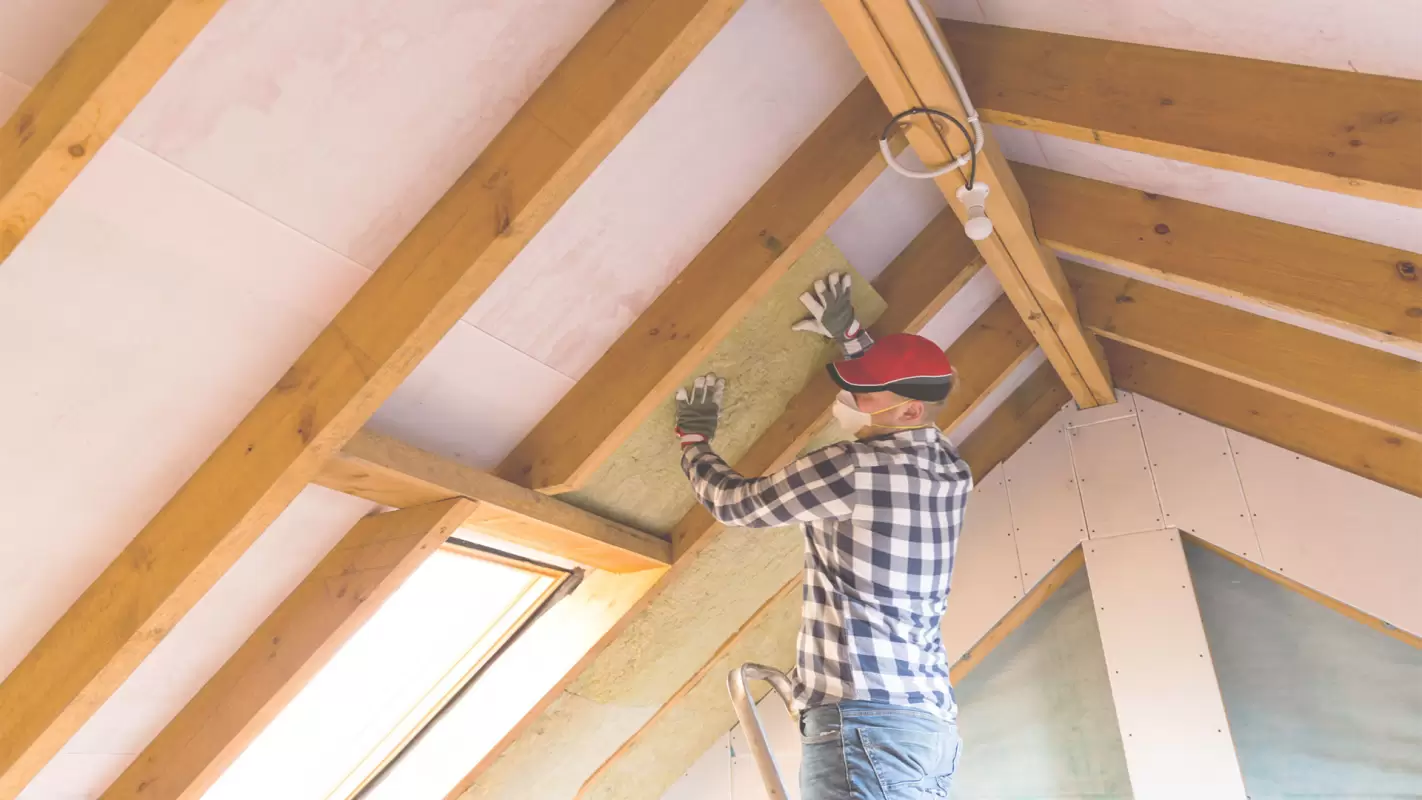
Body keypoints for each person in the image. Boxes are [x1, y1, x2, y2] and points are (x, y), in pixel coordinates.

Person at [673, 272, 973, 800]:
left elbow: (736, 504)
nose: (847, 395)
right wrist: (852, 337)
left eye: (861, 390)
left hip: (866, 725)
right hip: (926, 726)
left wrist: (694, 442)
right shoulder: (950, 468)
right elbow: (905, 393)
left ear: (908, 411)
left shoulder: (851, 468)